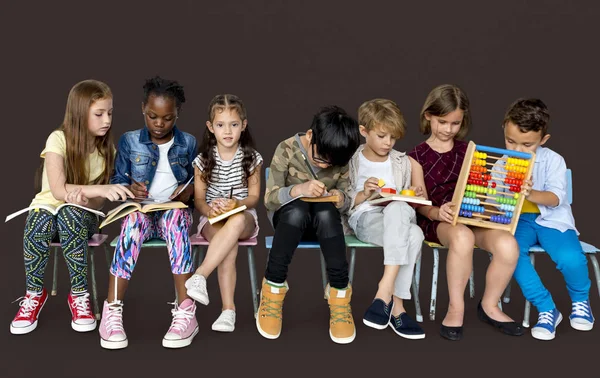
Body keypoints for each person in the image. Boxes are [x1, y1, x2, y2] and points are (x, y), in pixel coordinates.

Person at [11, 79, 134, 335]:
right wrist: (97, 190)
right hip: (46, 215)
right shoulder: (58, 139)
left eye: (110, 113)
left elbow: (99, 201)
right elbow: (58, 190)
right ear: (80, 114)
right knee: (41, 217)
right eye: (99, 114)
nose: (107, 120)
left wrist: (88, 198)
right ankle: (34, 294)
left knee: (70, 213)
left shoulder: (106, 150)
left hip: (81, 220)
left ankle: (79, 295)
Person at [408, 84, 524, 341]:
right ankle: (455, 306)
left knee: (508, 244)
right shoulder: (415, 156)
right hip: (440, 220)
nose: (448, 129)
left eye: (455, 123)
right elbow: (420, 203)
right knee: (462, 237)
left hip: (473, 216)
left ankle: (490, 305)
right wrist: (439, 212)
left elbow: (482, 190)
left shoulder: (470, 151)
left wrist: (497, 199)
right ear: (428, 116)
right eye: (442, 122)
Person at [99, 76, 198, 349]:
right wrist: (129, 188)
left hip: (173, 214)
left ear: (178, 113)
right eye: (153, 116)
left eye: (167, 118)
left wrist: (188, 193)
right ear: (143, 108)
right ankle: (112, 311)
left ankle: (186, 311)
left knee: (177, 220)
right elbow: (116, 182)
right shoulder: (130, 141)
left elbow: (198, 183)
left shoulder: (188, 143)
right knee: (132, 220)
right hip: (142, 212)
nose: (159, 124)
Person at [257, 105, 360, 344]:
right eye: (320, 159)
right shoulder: (287, 148)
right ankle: (272, 289)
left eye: (331, 163)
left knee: (325, 211)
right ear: (310, 135)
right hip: (289, 225)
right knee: (297, 209)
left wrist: (338, 198)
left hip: (325, 227)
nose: (325, 166)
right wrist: (298, 190)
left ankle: (339, 294)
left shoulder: (339, 156)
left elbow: (345, 201)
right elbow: (269, 198)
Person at [502, 98, 594, 340]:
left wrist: (530, 193)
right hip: (519, 221)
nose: (517, 150)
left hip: (552, 219)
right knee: (509, 255)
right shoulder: (501, 162)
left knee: (570, 258)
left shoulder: (554, 160)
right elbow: (497, 199)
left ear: (543, 140)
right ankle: (546, 308)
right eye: (510, 141)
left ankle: (580, 301)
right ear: (504, 130)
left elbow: (555, 198)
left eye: (527, 144)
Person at [346, 98, 425, 339]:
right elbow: (342, 199)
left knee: (400, 209)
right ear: (363, 131)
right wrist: (364, 193)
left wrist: (416, 193)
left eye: (393, 137)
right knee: (415, 235)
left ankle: (383, 293)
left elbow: (418, 198)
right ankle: (398, 307)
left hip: (398, 217)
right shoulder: (351, 160)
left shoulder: (403, 162)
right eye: (381, 136)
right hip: (366, 218)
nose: (388, 143)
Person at [185, 94, 263, 333]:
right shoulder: (203, 160)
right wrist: (211, 209)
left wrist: (235, 204)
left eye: (234, 124)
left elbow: (253, 198)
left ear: (244, 125)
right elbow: (198, 199)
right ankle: (228, 311)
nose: (227, 131)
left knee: (237, 220)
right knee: (228, 245)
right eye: (220, 125)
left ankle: (200, 274)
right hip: (213, 219)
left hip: (244, 217)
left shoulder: (251, 158)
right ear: (211, 127)